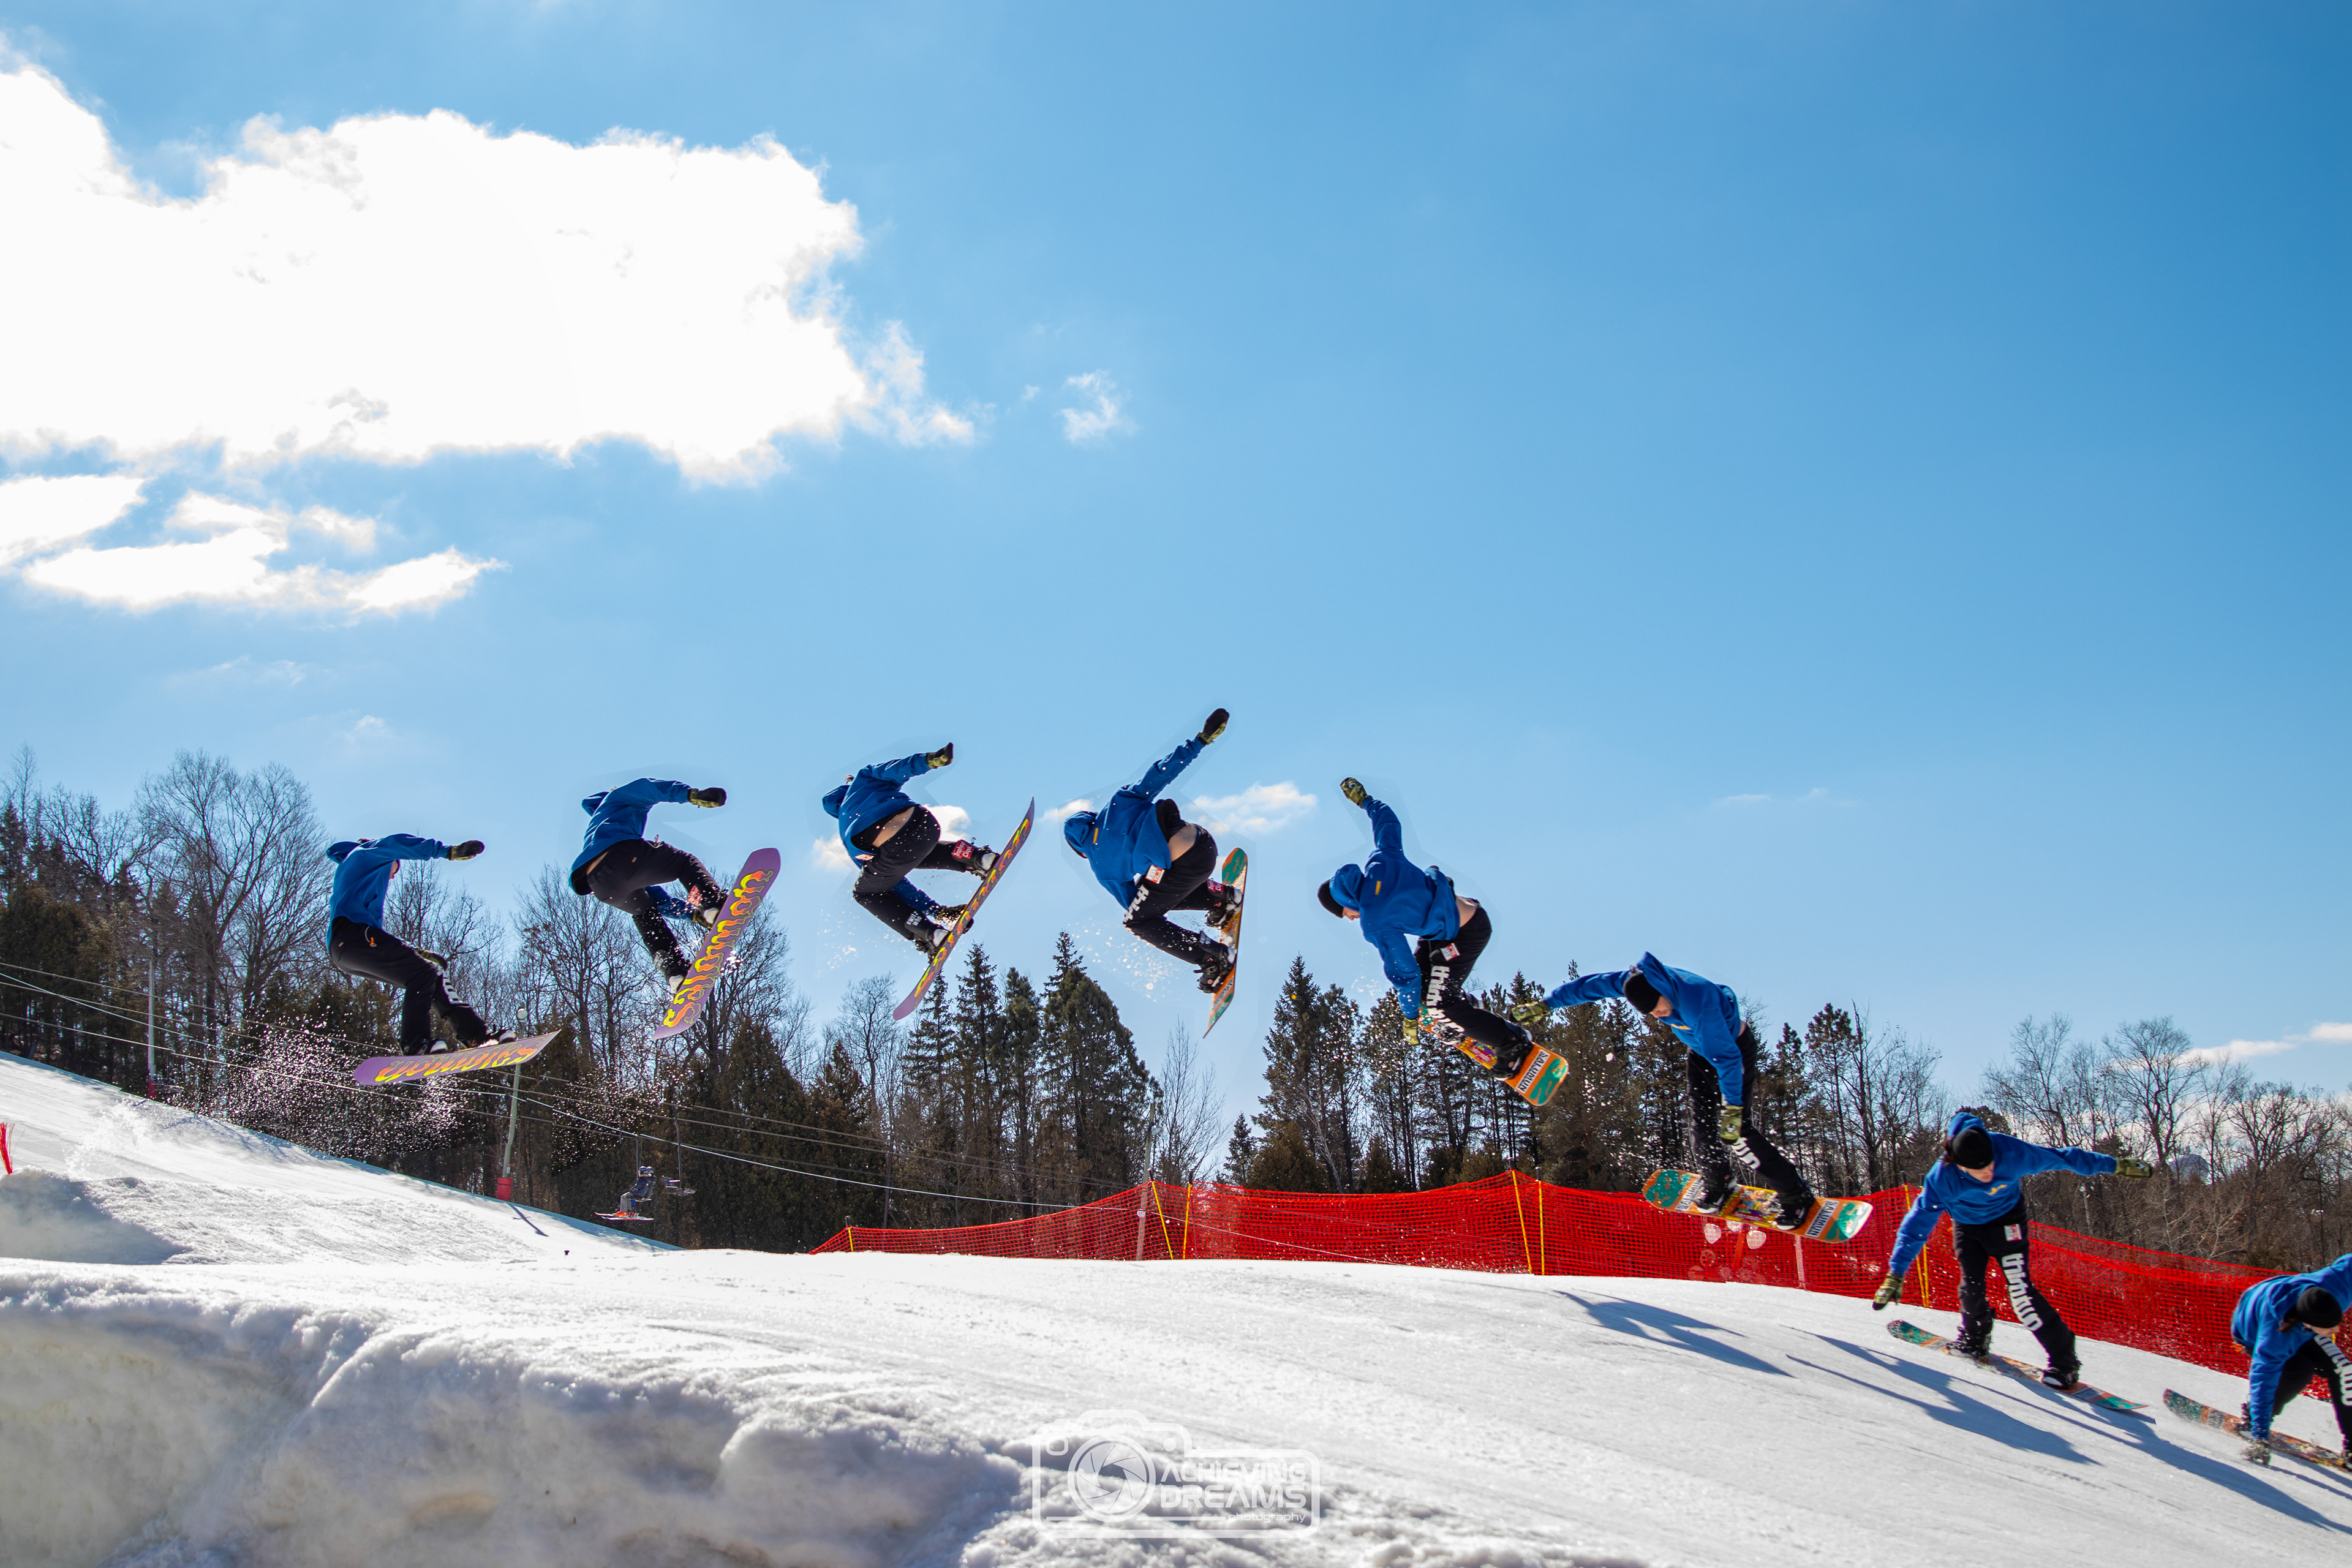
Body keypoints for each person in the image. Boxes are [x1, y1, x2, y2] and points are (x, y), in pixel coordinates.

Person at [1514, 954, 1815, 1226]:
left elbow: (1727, 1060)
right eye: (1652, 1013)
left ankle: (1795, 1194)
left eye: (1658, 1009)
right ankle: (1719, 1181)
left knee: (1737, 1133)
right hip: (1701, 1056)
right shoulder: (1638, 982)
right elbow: (1590, 987)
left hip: (1733, 1053)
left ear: (1665, 992)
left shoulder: (1700, 1004)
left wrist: (1733, 1108)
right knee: (1701, 1127)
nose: (1657, 1016)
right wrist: (1547, 1004)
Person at [1869, 1108, 2152, 1389]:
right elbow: (1917, 1224)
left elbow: (2065, 1158)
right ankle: (1975, 1339)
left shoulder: (2011, 1152)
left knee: (2020, 1293)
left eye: (1991, 1165)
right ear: (1960, 1166)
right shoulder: (1942, 1178)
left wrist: (2115, 1165)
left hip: (2007, 1222)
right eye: (1980, 1170)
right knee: (1970, 1288)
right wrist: (1896, 1273)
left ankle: (2064, 1362)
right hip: (1967, 1227)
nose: (1989, 1173)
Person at [1318, 777, 1532, 1072]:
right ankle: (1461, 1006)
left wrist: (1410, 1018)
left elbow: (1404, 973)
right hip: (1447, 921)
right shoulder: (1381, 860)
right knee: (1422, 991)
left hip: (1466, 934)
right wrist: (1366, 801)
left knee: (1437, 1002)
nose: (1352, 918)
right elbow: (1387, 823)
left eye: (1346, 914)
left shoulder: (1375, 921)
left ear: (1346, 900)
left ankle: (1511, 1041)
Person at [1062, 710, 1238, 993]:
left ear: (1080, 849)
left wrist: (1168, 932)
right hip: (1204, 842)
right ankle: (1220, 897)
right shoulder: (1119, 802)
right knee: (1154, 889)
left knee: (1137, 920)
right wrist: (1200, 741)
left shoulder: (1100, 865)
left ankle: (1211, 956)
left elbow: (1138, 907)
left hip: (1187, 866)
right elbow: (1159, 773)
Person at [325, 833, 499, 1057]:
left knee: (430, 974)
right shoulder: (367, 854)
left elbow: (379, 939)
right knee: (424, 973)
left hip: (350, 947)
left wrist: (416, 952)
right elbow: (395, 844)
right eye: (396, 869)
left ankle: (477, 1035)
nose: (393, 877)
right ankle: (415, 1043)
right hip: (352, 936)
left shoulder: (360, 874)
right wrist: (447, 851)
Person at [823, 744, 999, 956]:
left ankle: (928, 932)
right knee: (913, 851)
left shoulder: (847, 827)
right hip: (925, 823)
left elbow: (894, 883)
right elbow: (896, 769)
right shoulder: (865, 779)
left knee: (866, 893)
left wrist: (936, 912)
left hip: (894, 846)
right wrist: (929, 760)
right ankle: (978, 857)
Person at [568, 777, 729, 997]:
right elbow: (647, 788)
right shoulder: (617, 798)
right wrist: (692, 795)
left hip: (601, 886)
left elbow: (661, 902)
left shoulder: (599, 826)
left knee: (645, 912)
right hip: (621, 854)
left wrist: (693, 915)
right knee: (684, 863)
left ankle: (674, 972)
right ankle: (711, 903)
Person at [2230, 1254, 2352, 1466]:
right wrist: (2260, 1436)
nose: (2337, 1330)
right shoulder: (2273, 1340)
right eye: (2331, 1327)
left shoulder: (2337, 1286)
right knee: (2299, 1371)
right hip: (2251, 1327)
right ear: (2310, 1324)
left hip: (2301, 1309)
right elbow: (2262, 1383)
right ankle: (2251, 1421)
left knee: (2344, 1370)